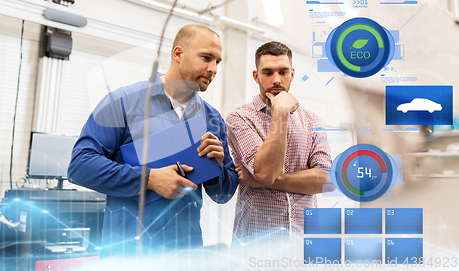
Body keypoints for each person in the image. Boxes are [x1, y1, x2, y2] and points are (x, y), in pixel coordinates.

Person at [68, 24, 238, 257]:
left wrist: (217, 168)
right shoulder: (123, 102)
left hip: (185, 255)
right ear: (178, 54)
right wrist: (148, 178)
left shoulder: (212, 118)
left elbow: (223, 195)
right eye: (206, 58)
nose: (213, 69)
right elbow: (80, 166)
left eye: (218, 61)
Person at [226, 41, 332, 241]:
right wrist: (281, 112)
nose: (276, 80)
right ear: (256, 76)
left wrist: (266, 181)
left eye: (283, 72)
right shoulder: (239, 118)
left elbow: (326, 180)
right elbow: (266, 172)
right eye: (268, 73)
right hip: (256, 242)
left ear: (292, 74)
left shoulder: (312, 120)